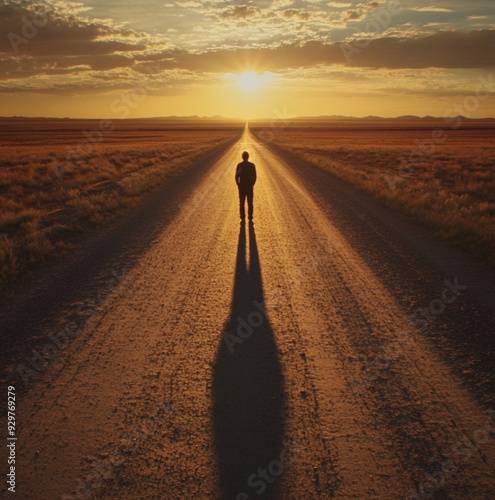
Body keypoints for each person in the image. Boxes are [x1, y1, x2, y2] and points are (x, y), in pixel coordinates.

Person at [235, 151, 257, 221]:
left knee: (242, 202)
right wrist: (252, 184)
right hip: (249, 186)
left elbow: (237, 176)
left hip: (242, 186)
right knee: (250, 202)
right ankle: (250, 216)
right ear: (248, 157)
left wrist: (238, 184)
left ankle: (242, 216)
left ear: (242, 157)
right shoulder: (251, 165)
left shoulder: (240, 165)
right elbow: (255, 176)